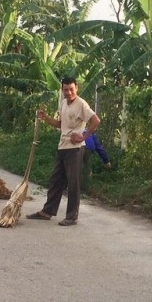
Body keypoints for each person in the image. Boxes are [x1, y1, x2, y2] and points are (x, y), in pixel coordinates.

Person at [27, 77, 101, 226]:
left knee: (73, 183)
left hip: (75, 149)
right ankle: (47, 211)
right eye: (65, 89)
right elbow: (60, 124)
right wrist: (46, 118)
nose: (68, 92)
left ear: (77, 88)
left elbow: (96, 121)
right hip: (63, 146)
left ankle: (72, 216)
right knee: (55, 180)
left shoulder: (81, 104)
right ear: (62, 90)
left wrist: (83, 136)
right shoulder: (63, 104)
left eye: (71, 89)